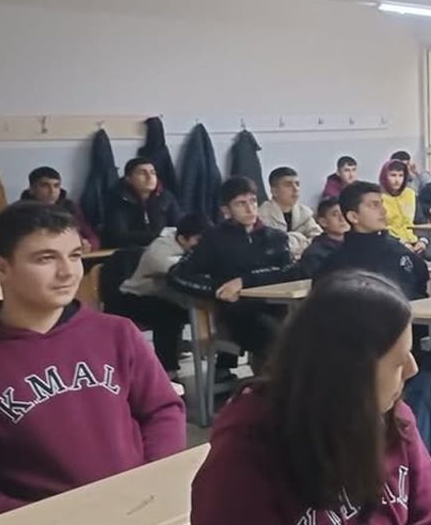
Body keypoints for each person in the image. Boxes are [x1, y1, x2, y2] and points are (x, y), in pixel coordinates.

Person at [0, 203, 185, 523]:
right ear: (0, 268)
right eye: (46, 258)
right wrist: (56, 518)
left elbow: (163, 410)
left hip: (140, 511)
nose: (67, 272)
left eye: (75, 255)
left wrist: (152, 481)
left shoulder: (117, 333)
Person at [189, 269, 431, 525]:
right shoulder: (244, 459)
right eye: (398, 361)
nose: (413, 369)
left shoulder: (393, 419)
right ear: (350, 372)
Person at [169, 177, 301, 373]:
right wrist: (218, 288)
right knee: (275, 337)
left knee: (311, 330)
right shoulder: (214, 239)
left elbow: (289, 273)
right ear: (226, 210)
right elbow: (177, 276)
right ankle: (275, 387)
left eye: (253, 201)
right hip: (239, 314)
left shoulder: (275, 237)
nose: (250, 209)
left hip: (280, 308)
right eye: (240, 204)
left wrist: (243, 281)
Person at [112, 214, 210, 376]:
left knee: (225, 308)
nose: (203, 245)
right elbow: (180, 273)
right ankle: (168, 371)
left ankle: (222, 367)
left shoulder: (196, 248)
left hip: (171, 296)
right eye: (198, 240)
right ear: (182, 239)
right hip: (136, 296)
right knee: (168, 314)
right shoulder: (160, 248)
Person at [324, 182, 430, 300]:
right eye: (374, 205)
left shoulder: (398, 249)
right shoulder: (338, 264)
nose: (383, 211)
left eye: (381, 204)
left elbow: (420, 279)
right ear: (353, 217)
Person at [102, 157, 184, 249]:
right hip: (128, 252)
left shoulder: (166, 197)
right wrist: (159, 235)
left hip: (163, 249)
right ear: (128, 179)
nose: (149, 177)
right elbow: (118, 236)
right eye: (142, 173)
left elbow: (180, 226)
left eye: (153, 173)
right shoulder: (116, 200)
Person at [19, 167, 99, 252]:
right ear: (32, 190)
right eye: (45, 186)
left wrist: (88, 245)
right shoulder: (20, 212)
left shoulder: (69, 208)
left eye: (56, 186)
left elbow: (92, 237)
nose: (52, 191)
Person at [258, 167, 322, 258]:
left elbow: (319, 239)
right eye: (288, 185)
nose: (295, 189)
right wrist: (301, 239)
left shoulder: (304, 212)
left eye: (297, 184)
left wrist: (292, 242)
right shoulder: (262, 215)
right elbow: (271, 246)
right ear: (274, 191)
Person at [379, 159, 428, 255]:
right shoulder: (377, 197)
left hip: (414, 243)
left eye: (401, 175)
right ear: (385, 176)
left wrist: (423, 241)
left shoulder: (410, 194)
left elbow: (421, 222)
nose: (397, 180)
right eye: (393, 175)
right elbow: (378, 229)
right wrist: (401, 243)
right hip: (389, 245)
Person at [300, 198, 350, 278]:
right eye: (335, 215)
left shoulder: (357, 244)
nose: (342, 218)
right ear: (323, 222)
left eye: (344, 213)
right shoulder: (315, 254)